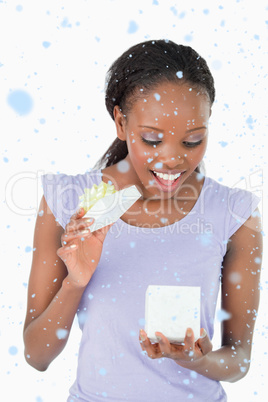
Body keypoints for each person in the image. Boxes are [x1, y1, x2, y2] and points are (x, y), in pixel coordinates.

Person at [23, 39, 262, 401]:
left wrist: (196, 360)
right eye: (152, 139)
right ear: (121, 121)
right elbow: (37, 356)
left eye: (193, 141)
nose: (172, 159)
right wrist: (76, 281)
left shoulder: (234, 213)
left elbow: (239, 361)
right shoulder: (68, 202)